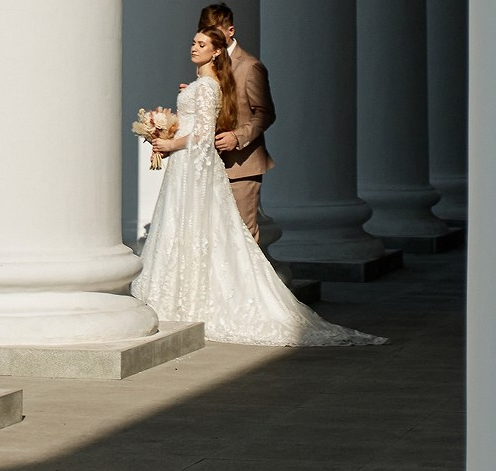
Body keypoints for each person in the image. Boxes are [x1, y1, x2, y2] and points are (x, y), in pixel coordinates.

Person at [129, 24, 381, 347]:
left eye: (202, 44)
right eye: (193, 42)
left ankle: (190, 299)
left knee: (200, 228)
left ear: (216, 51)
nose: (194, 47)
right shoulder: (201, 84)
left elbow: (205, 136)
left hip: (193, 163)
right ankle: (176, 297)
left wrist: (171, 144)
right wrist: (165, 132)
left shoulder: (208, 87)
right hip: (185, 167)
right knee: (183, 227)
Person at [200, 2, 274, 243]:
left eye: (215, 31)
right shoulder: (208, 65)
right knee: (217, 239)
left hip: (242, 166)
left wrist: (237, 137)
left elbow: (265, 113)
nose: (210, 37)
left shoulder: (250, 66)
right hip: (211, 165)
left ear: (230, 31)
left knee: (243, 239)